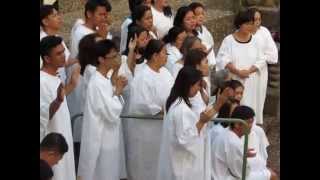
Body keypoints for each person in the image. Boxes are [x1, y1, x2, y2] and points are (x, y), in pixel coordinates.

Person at [157, 66, 233, 180]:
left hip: (178, 162)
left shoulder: (175, 101)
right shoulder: (181, 110)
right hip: (183, 166)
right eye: (198, 85)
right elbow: (186, 139)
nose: (199, 89)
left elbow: (202, 116)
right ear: (188, 85)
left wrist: (218, 104)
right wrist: (202, 122)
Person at [77, 39, 128, 180]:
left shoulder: (104, 79)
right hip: (102, 140)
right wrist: (118, 90)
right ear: (101, 59)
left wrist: (117, 87)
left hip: (110, 137)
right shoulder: (96, 83)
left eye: (117, 55)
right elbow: (111, 112)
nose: (116, 60)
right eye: (113, 57)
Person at [67, 0, 113, 137]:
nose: (104, 18)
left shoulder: (100, 31)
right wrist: (103, 38)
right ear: (89, 14)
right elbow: (92, 57)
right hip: (86, 80)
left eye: (106, 15)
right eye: (101, 14)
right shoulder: (81, 33)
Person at [216, 9, 266, 125]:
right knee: (235, 108)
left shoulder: (256, 40)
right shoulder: (229, 40)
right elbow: (222, 58)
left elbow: (262, 59)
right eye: (247, 23)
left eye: (251, 23)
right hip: (235, 81)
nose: (250, 26)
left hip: (251, 80)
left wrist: (249, 70)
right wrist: (237, 71)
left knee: (250, 107)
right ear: (239, 24)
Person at [40, 36, 76, 180]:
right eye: (59, 54)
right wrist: (57, 101)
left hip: (63, 136)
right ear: (47, 58)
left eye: (63, 52)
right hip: (51, 144)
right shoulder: (41, 81)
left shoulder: (55, 77)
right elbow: (42, 115)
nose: (64, 56)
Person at [211, 105, 278, 180]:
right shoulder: (234, 142)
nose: (251, 126)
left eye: (252, 122)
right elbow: (241, 173)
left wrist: (242, 155)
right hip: (224, 177)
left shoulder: (227, 132)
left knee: (262, 167)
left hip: (225, 173)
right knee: (272, 175)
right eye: (249, 123)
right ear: (237, 124)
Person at [128, 39, 174, 115]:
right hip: (149, 124)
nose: (167, 57)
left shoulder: (165, 72)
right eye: (165, 53)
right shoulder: (142, 76)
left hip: (164, 120)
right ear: (155, 56)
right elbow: (141, 104)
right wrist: (163, 110)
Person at [250, 7, 279, 127]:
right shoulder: (239, 33)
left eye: (259, 19)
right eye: (254, 19)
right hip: (243, 73)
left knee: (258, 99)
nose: (257, 22)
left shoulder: (264, 32)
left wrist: (259, 63)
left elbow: (273, 55)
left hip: (260, 72)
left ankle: (256, 124)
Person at [40, 5, 78, 84]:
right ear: (45, 22)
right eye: (54, 16)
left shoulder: (57, 37)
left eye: (58, 14)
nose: (59, 18)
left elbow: (66, 61)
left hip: (60, 84)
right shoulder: (42, 42)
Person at [189, 2, 216, 67]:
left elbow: (211, 44)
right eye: (198, 14)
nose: (201, 16)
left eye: (202, 14)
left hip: (211, 63)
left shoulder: (204, 29)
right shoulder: (190, 33)